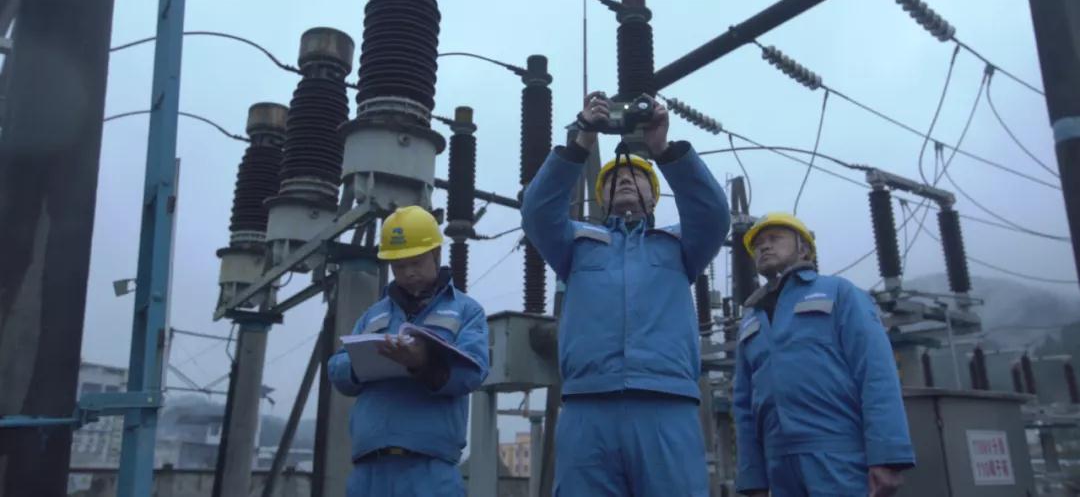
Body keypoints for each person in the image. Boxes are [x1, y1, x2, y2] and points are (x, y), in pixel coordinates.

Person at [522, 91, 729, 497]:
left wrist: (663, 150)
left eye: (638, 177)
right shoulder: (576, 245)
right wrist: (582, 139)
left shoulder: (679, 246)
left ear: (654, 196)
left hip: (666, 405)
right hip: (588, 407)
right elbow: (537, 212)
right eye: (616, 179)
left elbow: (713, 214)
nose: (626, 180)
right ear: (602, 200)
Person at [733, 212, 914, 497]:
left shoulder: (839, 293)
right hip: (778, 465)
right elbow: (743, 404)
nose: (764, 247)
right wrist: (752, 477)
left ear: (804, 249)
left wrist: (888, 455)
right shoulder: (751, 319)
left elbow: (876, 373)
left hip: (839, 455)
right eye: (757, 245)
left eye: (774, 238)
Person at [327, 205, 489, 497]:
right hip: (368, 469)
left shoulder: (466, 311)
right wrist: (359, 365)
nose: (409, 273)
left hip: (430, 470)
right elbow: (336, 367)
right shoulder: (373, 315)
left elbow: (473, 372)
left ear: (436, 254)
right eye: (399, 266)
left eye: (416, 262)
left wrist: (424, 363)